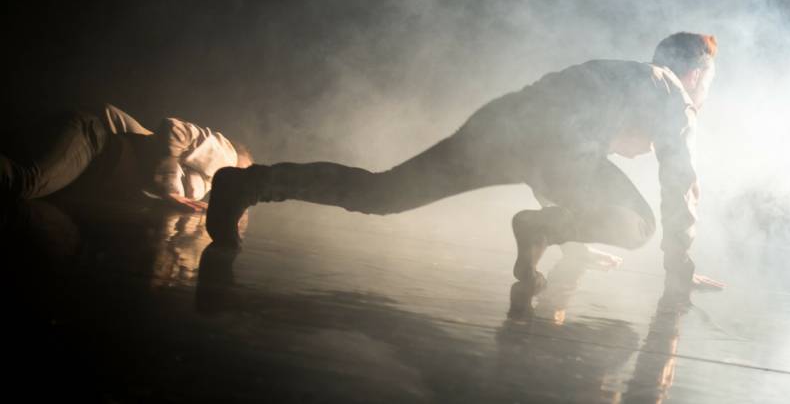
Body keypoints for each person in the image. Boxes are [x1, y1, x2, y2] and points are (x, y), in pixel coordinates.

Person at [206, 32, 725, 295]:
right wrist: (679, 269)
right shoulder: (674, 94)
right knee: (641, 226)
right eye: (711, 80)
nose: (707, 91)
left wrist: (572, 236)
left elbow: (560, 157)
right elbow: (680, 182)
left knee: (383, 194)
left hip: (501, 126)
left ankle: (248, 184)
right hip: (556, 150)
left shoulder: (620, 75)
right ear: (696, 73)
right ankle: (537, 231)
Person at [1, 103, 252, 214]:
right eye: (247, 174)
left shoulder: (205, 186)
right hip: (95, 136)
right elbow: (173, 128)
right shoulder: (226, 157)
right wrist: (170, 186)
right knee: (26, 182)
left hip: (97, 152)